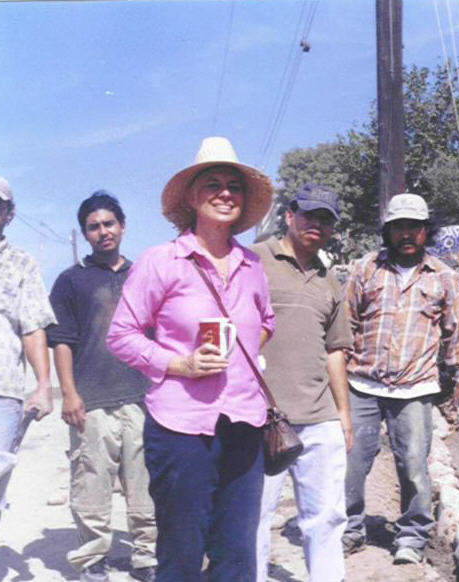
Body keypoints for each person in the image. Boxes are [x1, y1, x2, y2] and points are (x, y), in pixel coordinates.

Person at [107, 137, 276, 582]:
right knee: (181, 553)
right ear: (192, 197)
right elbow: (120, 335)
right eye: (213, 184)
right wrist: (179, 364)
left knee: (237, 555)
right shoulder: (161, 261)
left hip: (243, 422)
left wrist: (242, 357)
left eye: (234, 186)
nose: (225, 193)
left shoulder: (252, 264)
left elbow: (267, 322)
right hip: (180, 427)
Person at [343, 193, 459, 564]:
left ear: (425, 231)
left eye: (414, 228)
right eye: (399, 227)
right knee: (352, 462)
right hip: (362, 384)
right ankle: (349, 529)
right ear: (388, 231)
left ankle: (412, 536)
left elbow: (457, 333)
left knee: (414, 463)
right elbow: (344, 326)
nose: (406, 234)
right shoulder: (365, 268)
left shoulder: (445, 277)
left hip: (415, 387)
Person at [48, 192, 156, 582]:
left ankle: (147, 557)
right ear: (85, 233)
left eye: (109, 223)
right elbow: (62, 341)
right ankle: (93, 560)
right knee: (91, 484)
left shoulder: (144, 272)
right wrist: (70, 393)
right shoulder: (70, 281)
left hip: (143, 397)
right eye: (94, 226)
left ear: (123, 226)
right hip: (91, 400)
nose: (103, 231)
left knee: (145, 485)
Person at [251, 184, 354, 582]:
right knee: (254, 518)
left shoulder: (329, 279)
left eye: (326, 219)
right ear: (290, 215)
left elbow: (334, 351)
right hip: (262, 416)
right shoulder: (256, 259)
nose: (317, 224)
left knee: (326, 517)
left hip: (319, 416)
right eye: (310, 215)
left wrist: (343, 414)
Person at [0, 174, 56, 546]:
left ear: (9, 213)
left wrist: (44, 387)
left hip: (1, 395)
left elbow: (33, 329)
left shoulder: (22, 263)